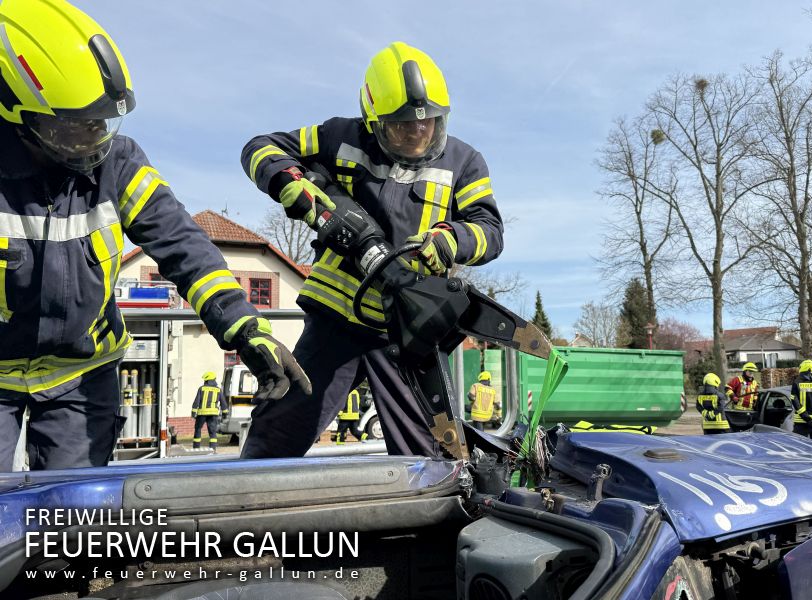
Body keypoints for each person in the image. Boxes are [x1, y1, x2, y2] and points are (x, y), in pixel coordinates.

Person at [0, 0, 307, 471]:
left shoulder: (117, 162)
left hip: (82, 374)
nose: (94, 140)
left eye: (101, 123)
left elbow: (183, 244)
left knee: (74, 523)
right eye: (75, 128)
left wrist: (245, 328)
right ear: (17, 113)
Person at [239, 42, 502, 459]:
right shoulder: (340, 136)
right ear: (373, 120)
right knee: (278, 429)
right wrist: (292, 184)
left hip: (406, 329)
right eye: (402, 127)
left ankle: (432, 519)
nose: (418, 133)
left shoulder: (465, 162)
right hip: (335, 320)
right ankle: (247, 506)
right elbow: (259, 148)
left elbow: (490, 231)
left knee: (429, 454)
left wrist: (452, 240)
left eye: (429, 124)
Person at [191, 372, 225, 451]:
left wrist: (193, 412)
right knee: (212, 432)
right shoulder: (218, 390)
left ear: (207, 380)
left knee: (198, 429)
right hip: (213, 414)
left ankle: (196, 447)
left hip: (202, 413)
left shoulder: (201, 388)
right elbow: (223, 402)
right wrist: (225, 413)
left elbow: (196, 401)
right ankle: (213, 448)